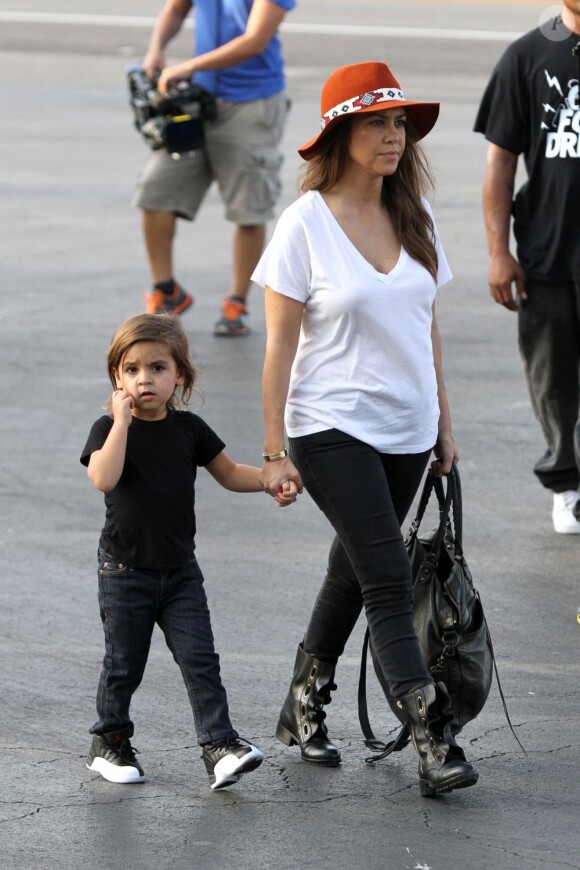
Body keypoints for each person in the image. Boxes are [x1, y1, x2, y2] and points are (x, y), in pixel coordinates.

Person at [253, 62, 479, 797]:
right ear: (341, 135)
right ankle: (431, 736)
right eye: (377, 123)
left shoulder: (416, 214)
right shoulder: (304, 225)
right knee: (385, 574)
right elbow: (279, 346)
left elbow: (427, 329)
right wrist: (273, 451)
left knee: (354, 566)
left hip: (408, 431)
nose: (394, 135)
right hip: (328, 428)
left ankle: (303, 704)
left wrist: (444, 426)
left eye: (399, 123)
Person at [80, 313, 297, 789]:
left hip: (180, 571)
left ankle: (219, 745)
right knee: (124, 664)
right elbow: (104, 477)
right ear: (117, 377)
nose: (145, 379)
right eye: (132, 369)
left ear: (180, 375)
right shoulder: (107, 429)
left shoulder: (189, 429)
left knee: (200, 659)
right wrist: (120, 421)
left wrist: (270, 480)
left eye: (157, 368)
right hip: (124, 571)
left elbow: (229, 472)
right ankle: (109, 742)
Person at [474, 2, 580, 534]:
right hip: (548, 250)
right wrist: (498, 250)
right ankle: (568, 485)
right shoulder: (527, 55)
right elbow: (500, 163)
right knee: (553, 376)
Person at [132, 0, 296, 335]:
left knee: (249, 208)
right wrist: (155, 50)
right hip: (199, 98)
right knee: (155, 189)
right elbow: (176, 9)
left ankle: (237, 303)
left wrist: (187, 67)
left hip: (252, 104)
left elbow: (254, 40)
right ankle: (167, 291)